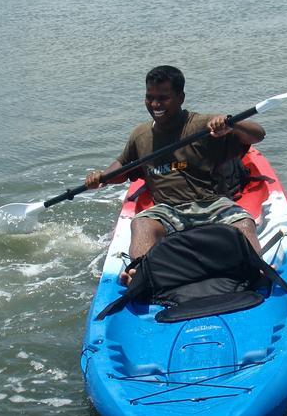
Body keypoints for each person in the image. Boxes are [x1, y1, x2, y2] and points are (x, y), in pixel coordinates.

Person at [85, 65, 266, 282]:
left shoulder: (202, 125)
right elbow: (122, 167)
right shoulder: (140, 135)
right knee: (141, 224)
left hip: (212, 204)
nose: (155, 105)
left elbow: (257, 135)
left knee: (244, 222)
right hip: (167, 210)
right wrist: (101, 178)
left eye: (163, 98)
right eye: (149, 97)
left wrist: (231, 124)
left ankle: (257, 267)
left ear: (180, 97)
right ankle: (140, 272)